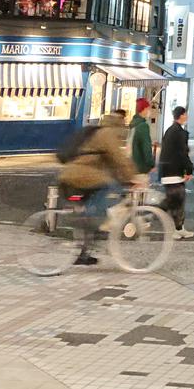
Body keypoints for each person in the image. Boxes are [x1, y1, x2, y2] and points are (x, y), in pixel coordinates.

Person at [57, 111, 134, 265]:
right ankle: (94, 224)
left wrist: (123, 177)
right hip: (81, 177)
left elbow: (110, 163)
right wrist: (132, 177)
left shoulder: (95, 133)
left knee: (89, 209)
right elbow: (119, 159)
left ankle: (84, 251)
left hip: (71, 176)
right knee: (110, 187)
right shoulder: (107, 134)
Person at [159, 106, 194, 239]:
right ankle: (175, 228)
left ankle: (179, 228)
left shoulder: (169, 130)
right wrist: (188, 169)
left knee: (175, 201)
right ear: (181, 115)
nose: (187, 116)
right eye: (185, 114)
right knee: (175, 202)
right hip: (174, 172)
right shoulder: (179, 133)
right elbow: (182, 153)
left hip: (168, 171)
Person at [129, 97, 154, 182]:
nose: (149, 111)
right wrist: (151, 164)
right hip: (141, 168)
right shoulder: (143, 126)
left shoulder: (133, 123)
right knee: (141, 192)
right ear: (144, 109)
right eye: (148, 108)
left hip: (132, 167)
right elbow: (146, 147)